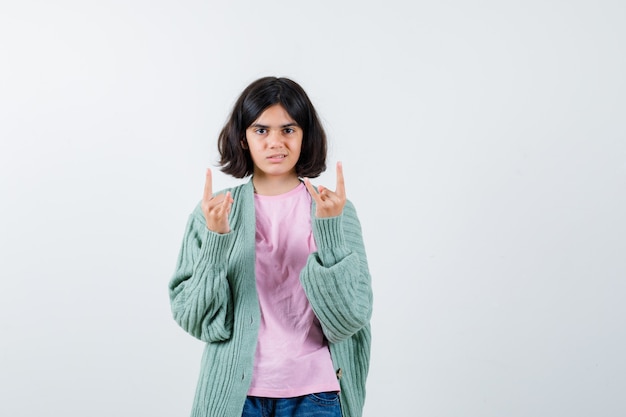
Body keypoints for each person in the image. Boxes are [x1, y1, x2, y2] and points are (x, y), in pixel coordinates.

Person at [168, 76, 373, 417]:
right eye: (261, 130)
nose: (275, 142)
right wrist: (217, 241)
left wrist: (330, 231)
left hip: (317, 394)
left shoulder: (334, 209)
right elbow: (194, 317)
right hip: (236, 396)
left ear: (305, 135)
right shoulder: (214, 212)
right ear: (243, 138)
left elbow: (352, 317)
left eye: (288, 130)